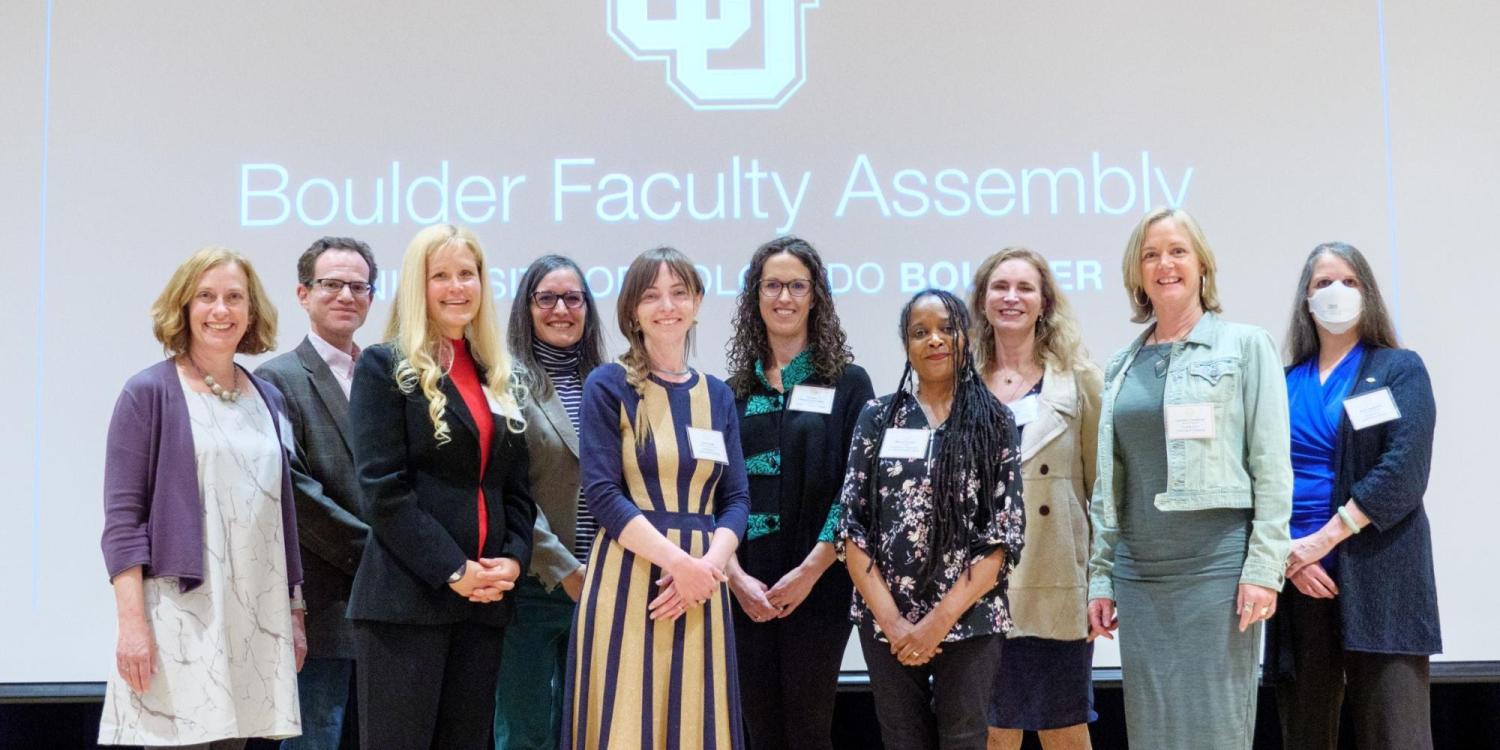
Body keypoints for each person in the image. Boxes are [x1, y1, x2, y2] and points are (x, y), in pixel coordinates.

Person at [1085, 207, 1291, 749]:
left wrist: (1264, 568)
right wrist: (1101, 575)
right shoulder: (1120, 365)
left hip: (1217, 570)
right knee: (1153, 732)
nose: (1164, 263)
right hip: (1139, 574)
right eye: (1150, 254)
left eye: (1177, 250)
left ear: (1202, 264)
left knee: (1215, 730)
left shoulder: (1246, 346)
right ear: (1136, 274)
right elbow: (1112, 484)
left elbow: (1272, 467)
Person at [99, 247, 306, 748]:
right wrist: (132, 627)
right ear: (183, 308)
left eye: (235, 297)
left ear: (251, 310)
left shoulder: (269, 397)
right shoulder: (148, 392)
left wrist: (296, 614)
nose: (222, 310)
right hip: (179, 613)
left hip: (255, 611)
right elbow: (123, 522)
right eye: (207, 297)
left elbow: (284, 515)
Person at [345, 224, 535, 749]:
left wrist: (514, 559)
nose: (457, 287)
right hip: (407, 604)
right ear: (416, 285)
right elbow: (382, 489)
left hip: (484, 604)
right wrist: (453, 569)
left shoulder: (498, 373)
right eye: (441, 276)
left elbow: (517, 488)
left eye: (467, 274)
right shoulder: (385, 368)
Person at [561, 247, 751, 749]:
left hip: (704, 584)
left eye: (679, 293)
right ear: (632, 311)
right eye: (651, 295)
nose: (667, 305)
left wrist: (706, 567)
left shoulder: (719, 395)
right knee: (625, 720)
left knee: (696, 720)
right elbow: (602, 494)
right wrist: (680, 565)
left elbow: (737, 500)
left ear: (697, 304)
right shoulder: (608, 384)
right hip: (630, 578)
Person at [1268, 242, 1440, 749]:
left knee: (1396, 735)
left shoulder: (1398, 369)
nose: (1335, 292)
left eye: (1349, 281)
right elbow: (1259, 478)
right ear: (1306, 299)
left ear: (1368, 294)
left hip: (1381, 575)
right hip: (1298, 580)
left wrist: (1322, 540)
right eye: (1323, 283)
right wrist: (1290, 557)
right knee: (1305, 733)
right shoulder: (1281, 382)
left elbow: (1403, 471)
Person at [837, 288, 1026, 750]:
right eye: (920, 333)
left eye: (946, 328)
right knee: (903, 741)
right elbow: (851, 525)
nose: (935, 340)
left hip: (970, 617)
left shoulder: (994, 420)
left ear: (966, 336)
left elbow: (1003, 534)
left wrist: (937, 622)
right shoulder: (877, 417)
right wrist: (896, 624)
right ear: (906, 346)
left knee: (964, 739)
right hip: (886, 621)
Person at [722, 236, 874, 750]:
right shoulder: (731, 390)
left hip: (820, 586)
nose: (783, 297)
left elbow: (858, 491)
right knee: (759, 732)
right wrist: (736, 578)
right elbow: (714, 493)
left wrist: (810, 570)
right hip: (744, 589)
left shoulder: (849, 384)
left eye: (796, 286)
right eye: (772, 285)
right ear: (754, 297)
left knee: (809, 732)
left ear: (815, 297)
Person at [970, 248, 1101, 750]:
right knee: (991, 733)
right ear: (982, 301)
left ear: (1044, 301)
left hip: (1056, 582)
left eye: (1025, 288)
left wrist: (1101, 579)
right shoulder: (960, 381)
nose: (1011, 298)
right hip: (979, 587)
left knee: (1063, 729)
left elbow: (1101, 489)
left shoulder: (1081, 379)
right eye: (1000, 287)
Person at [255, 236, 379, 750]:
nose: (346, 295)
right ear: (303, 294)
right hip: (324, 600)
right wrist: (383, 552)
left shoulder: (389, 373)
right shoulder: (275, 378)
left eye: (358, 285)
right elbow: (293, 489)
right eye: (331, 284)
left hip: (392, 603)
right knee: (315, 740)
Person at [493, 254, 608, 749]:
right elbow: (507, 488)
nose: (561, 309)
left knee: (594, 730)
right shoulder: (502, 382)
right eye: (547, 298)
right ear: (527, 307)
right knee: (528, 733)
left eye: (573, 298)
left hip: (606, 583)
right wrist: (565, 568)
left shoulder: (612, 382)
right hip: (537, 585)